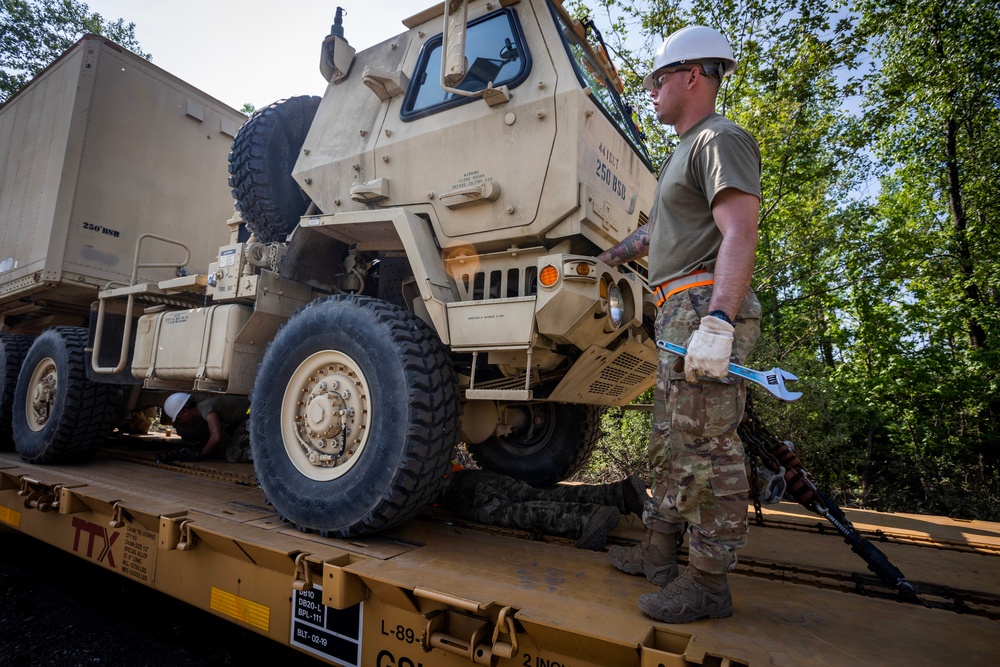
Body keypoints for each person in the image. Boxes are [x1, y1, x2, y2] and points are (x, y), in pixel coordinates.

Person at [596, 25, 762, 623]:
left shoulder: (719, 138)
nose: (652, 90)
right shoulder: (685, 152)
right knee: (671, 441)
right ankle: (659, 554)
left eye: (659, 78)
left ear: (693, 76)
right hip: (676, 308)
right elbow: (658, 235)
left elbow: (740, 230)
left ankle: (709, 584)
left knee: (708, 447)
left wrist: (718, 322)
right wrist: (609, 257)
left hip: (700, 307)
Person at [439, 468, 648, 551]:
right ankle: (620, 493)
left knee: (511, 513)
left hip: (452, 489)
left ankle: (584, 518)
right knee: (536, 495)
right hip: (469, 475)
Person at [157, 392, 252, 463]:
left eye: (179, 418)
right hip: (250, 415)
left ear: (186, 411)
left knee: (233, 455)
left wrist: (200, 454)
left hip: (254, 415)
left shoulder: (206, 410)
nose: (180, 421)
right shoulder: (203, 407)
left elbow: (216, 437)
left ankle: (264, 454)